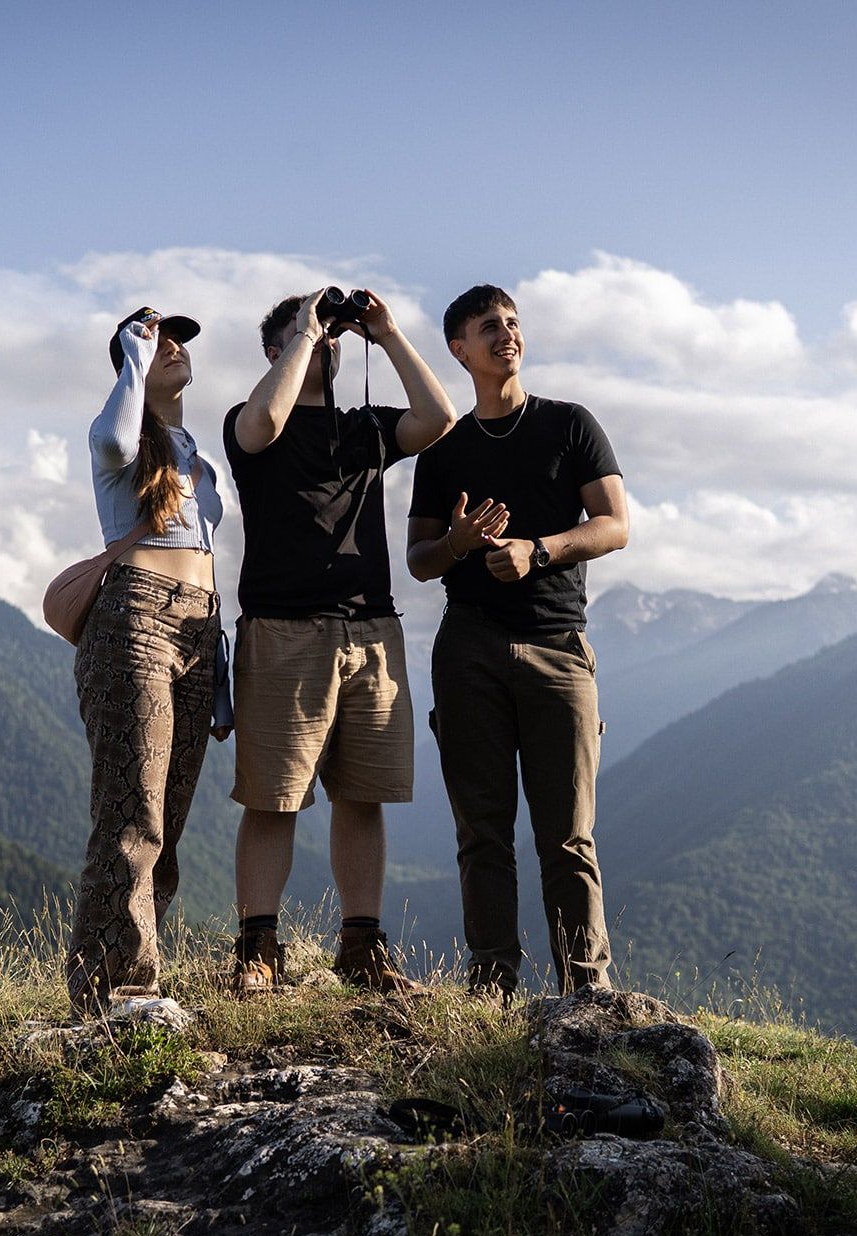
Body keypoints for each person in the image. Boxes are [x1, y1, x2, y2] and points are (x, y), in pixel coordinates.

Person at [223, 287, 457, 995]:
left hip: (371, 631)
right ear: (277, 351)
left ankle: (361, 946)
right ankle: (257, 948)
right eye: (311, 332)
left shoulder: (366, 428)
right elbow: (263, 424)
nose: (327, 339)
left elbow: (438, 417)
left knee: (363, 795)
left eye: (331, 333)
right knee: (274, 798)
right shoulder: (250, 420)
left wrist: (386, 333)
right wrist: (308, 330)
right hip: (283, 630)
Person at [405, 284, 630, 1001]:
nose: (507, 335)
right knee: (483, 833)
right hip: (468, 648)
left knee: (568, 835)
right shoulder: (444, 452)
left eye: (512, 323)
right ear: (459, 350)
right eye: (488, 327)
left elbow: (615, 525)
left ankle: (586, 993)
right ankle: (492, 987)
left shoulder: (570, 424)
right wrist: (458, 542)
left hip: (558, 646)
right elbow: (418, 559)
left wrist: (541, 549)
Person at [66, 308, 227, 1015]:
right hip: (136, 617)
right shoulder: (120, 439)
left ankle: (134, 973)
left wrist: (219, 670)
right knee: (132, 814)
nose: (173, 347)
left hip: (199, 629)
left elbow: (206, 551)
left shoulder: (195, 453)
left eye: (178, 339)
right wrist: (132, 357)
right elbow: (112, 437)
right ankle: (117, 990)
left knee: (169, 820)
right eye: (157, 339)